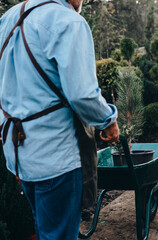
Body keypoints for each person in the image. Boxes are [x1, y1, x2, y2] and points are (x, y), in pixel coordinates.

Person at [0, 0, 119, 239]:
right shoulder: (68, 21)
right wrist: (108, 120)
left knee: (45, 230)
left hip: (18, 153)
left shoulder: (8, 19)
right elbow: (82, 95)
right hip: (56, 156)